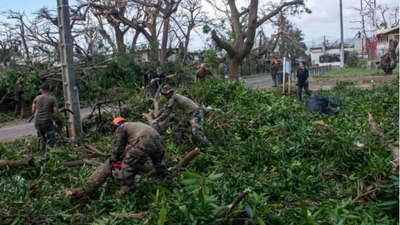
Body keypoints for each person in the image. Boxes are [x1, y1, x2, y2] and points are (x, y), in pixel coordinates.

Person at [109, 117, 173, 195]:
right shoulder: (133, 125)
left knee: (128, 164)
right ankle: (169, 184)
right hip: (159, 140)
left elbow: (118, 148)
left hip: (146, 141)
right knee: (159, 165)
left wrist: (113, 158)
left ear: (115, 125)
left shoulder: (121, 128)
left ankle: (126, 189)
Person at [31, 83, 62, 156]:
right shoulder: (52, 98)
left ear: (41, 90)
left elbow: (33, 110)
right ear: (49, 89)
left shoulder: (36, 98)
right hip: (47, 121)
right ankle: (49, 156)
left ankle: (41, 156)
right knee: (51, 140)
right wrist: (61, 119)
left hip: (37, 122)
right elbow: (56, 112)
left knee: (42, 139)